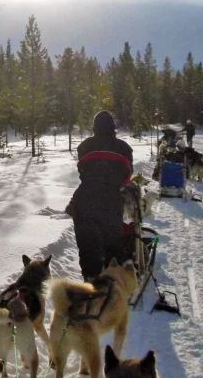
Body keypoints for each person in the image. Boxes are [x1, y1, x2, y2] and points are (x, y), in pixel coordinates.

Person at [64, 110, 133, 281]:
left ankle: (90, 279)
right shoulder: (124, 148)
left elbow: (82, 171)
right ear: (114, 127)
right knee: (113, 241)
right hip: (111, 200)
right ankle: (112, 279)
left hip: (85, 199)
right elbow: (126, 177)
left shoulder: (84, 146)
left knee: (87, 243)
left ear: (94, 127)